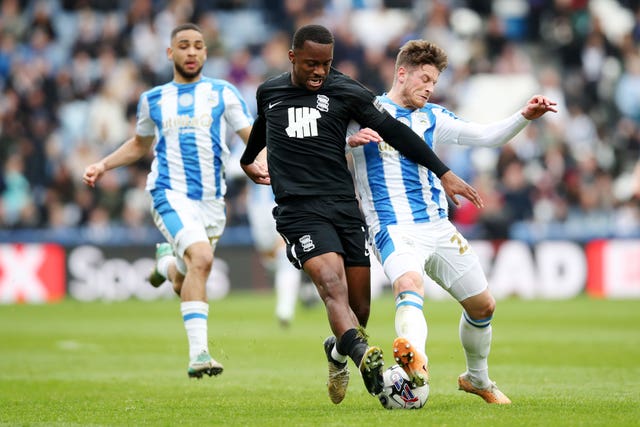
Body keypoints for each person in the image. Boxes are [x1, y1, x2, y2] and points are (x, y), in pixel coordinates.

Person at [239, 24, 483, 405]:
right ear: (292, 58)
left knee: (359, 311)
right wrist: (247, 160)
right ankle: (371, 367)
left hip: (343, 207)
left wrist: (444, 172)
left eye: (326, 63)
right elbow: (261, 126)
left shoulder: (347, 91)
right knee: (330, 285)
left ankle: (337, 353)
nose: (319, 71)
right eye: (310, 64)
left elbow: (397, 132)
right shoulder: (269, 92)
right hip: (298, 211)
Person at [346, 39, 557, 404]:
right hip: (392, 228)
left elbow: (486, 136)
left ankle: (476, 378)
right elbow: (322, 142)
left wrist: (523, 116)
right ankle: (417, 363)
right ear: (402, 73)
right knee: (409, 282)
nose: (429, 87)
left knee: (483, 307)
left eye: (434, 82)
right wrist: (348, 141)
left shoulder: (434, 117)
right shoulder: (365, 111)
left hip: (438, 228)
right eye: (424, 78)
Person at [82, 23, 254, 379]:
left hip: (212, 202)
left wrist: (270, 160)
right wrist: (103, 164)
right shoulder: (154, 99)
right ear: (170, 53)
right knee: (202, 258)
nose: (191, 52)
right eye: (184, 46)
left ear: (206, 53)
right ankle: (199, 355)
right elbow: (139, 144)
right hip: (168, 194)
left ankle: (165, 267)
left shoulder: (223, 93)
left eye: (198, 46)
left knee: (184, 278)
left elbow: (252, 137)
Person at [246, 177, 303, 328]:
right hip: (257, 207)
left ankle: (285, 310)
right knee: (270, 259)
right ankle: (305, 288)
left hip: (282, 201)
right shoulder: (247, 152)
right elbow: (234, 168)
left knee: (285, 256)